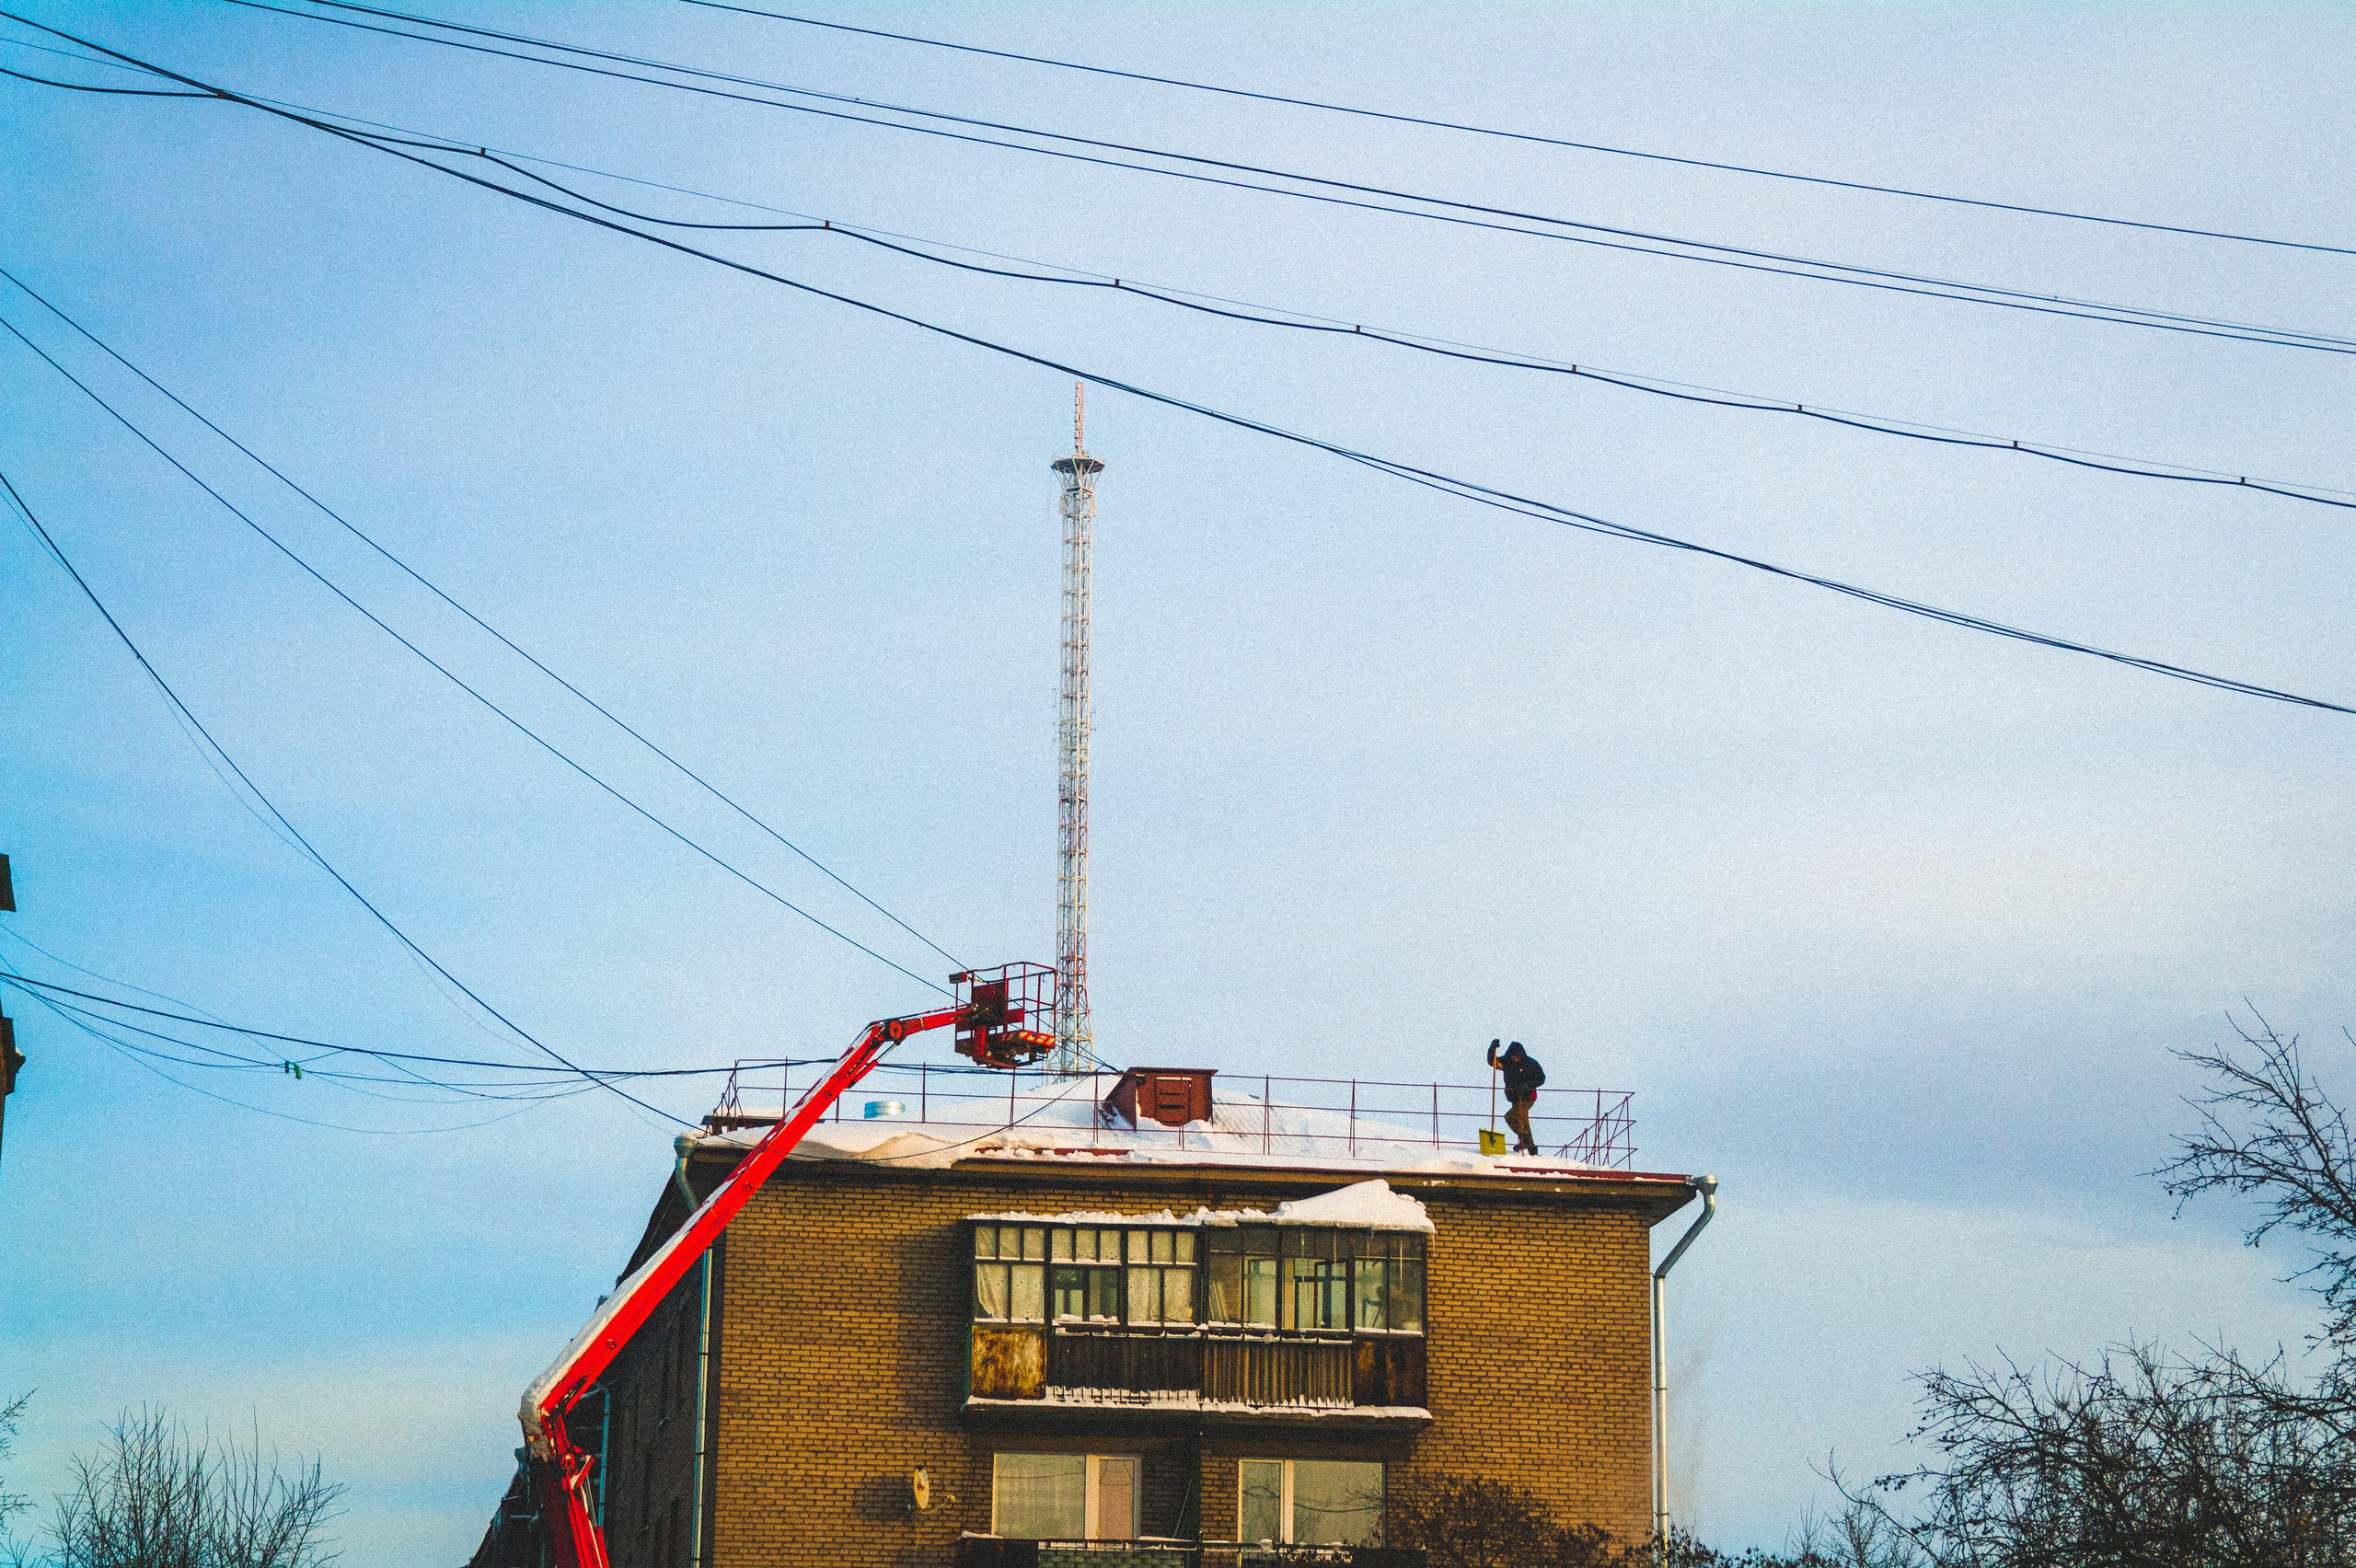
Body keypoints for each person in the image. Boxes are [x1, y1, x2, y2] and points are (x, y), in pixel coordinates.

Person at [1486, 1038, 1546, 1155]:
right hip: (1514, 1096)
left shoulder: (1531, 1063)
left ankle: (1528, 1144)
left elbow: (1541, 1078)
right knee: (1520, 1119)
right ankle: (1527, 1143)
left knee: (1513, 1116)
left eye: (1517, 1057)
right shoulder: (1507, 1062)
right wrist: (1492, 1049)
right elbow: (1493, 1062)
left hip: (1528, 1096)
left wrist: (1528, 1085)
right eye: (1513, 1057)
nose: (1515, 1059)